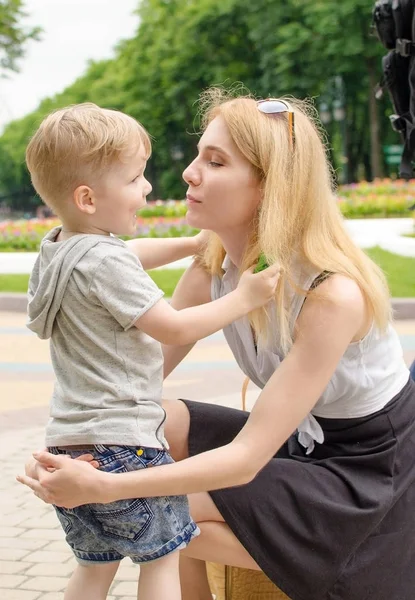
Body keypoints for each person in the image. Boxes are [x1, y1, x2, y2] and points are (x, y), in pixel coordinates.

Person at [18, 89, 415, 600]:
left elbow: (247, 457)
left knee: (163, 517)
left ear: (272, 185)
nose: (188, 172)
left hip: (363, 475)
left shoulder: (331, 294)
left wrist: (104, 488)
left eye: (215, 160)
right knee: (159, 421)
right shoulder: (212, 270)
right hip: (296, 442)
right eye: (198, 154)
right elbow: (132, 387)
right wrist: (72, 452)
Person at [21, 102, 280, 600]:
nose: (147, 188)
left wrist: (192, 244)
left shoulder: (59, 249)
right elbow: (175, 327)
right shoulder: (106, 265)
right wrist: (245, 298)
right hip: (126, 445)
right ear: (88, 198)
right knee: (161, 563)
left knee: (94, 570)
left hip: (71, 443)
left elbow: (127, 255)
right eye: (136, 178)